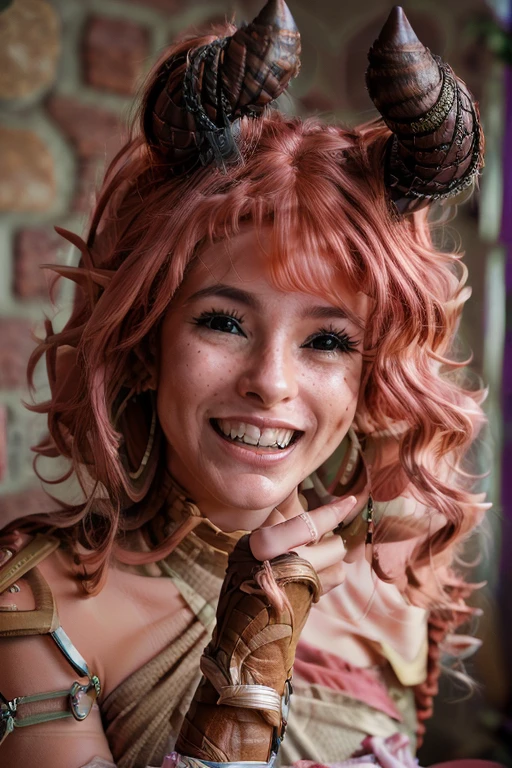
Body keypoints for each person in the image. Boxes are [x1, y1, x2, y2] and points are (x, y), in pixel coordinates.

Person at [0, 2, 489, 767]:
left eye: (328, 340)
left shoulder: (394, 581)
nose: (270, 381)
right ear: (146, 340)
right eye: (224, 323)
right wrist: (249, 660)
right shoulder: (35, 604)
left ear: (371, 375)